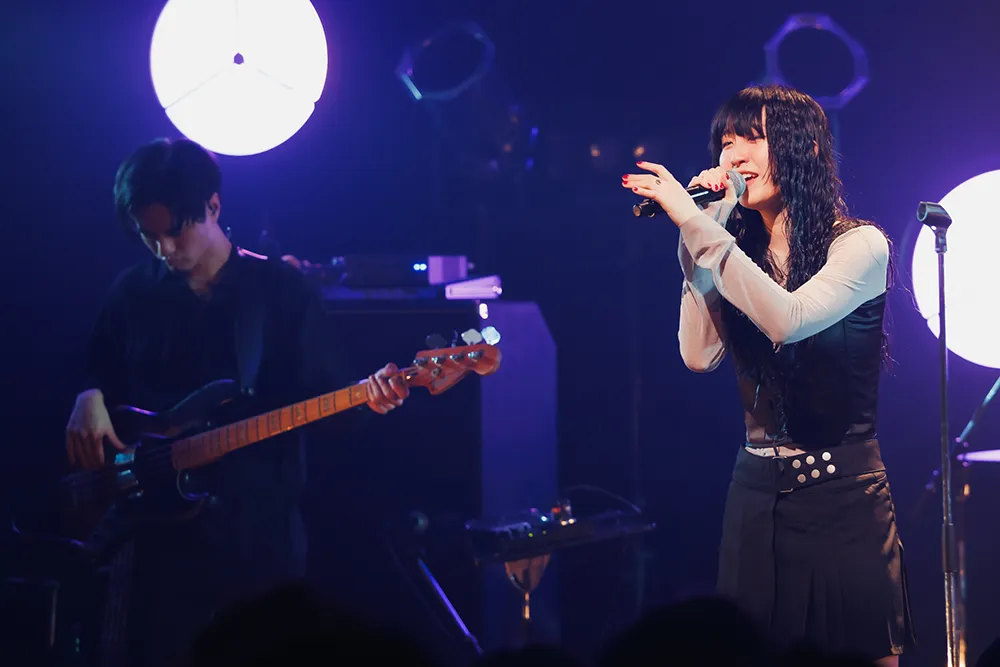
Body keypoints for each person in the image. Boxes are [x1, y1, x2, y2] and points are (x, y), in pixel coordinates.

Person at [64, 138, 410, 667]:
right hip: (155, 545)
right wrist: (89, 394)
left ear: (213, 206)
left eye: (175, 231)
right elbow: (100, 369)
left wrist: (370, 398)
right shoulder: (131, 292)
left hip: (258, 540)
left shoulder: (281, 292)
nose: (164, 250)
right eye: (148, 237)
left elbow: (328, 400)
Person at [622, 84, 915, 666]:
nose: (734, 156)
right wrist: (699, 234)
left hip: (842, 496)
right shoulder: (733, 251)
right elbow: (698, 355)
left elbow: (788, 320)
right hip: (755, 495)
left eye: (752, 139)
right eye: (726, 143)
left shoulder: (860, 245)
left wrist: (699, 228)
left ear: (806, 147)